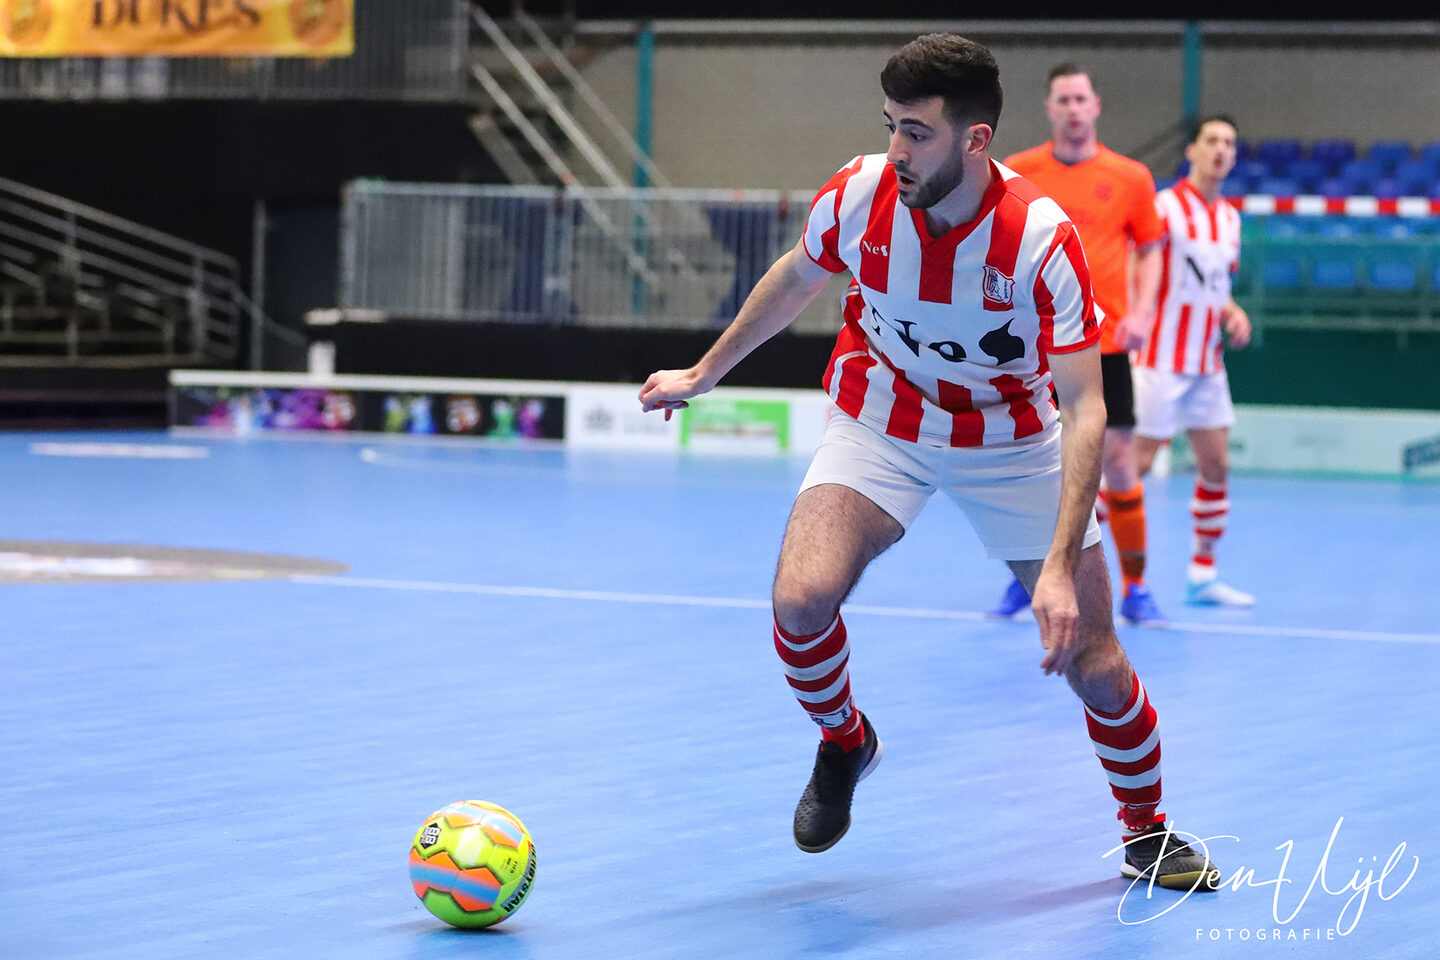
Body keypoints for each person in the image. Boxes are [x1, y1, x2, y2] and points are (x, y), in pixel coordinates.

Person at [639, 33, 1218, 890]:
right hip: (882, 421)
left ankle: (1147, 831)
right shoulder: (859, 192)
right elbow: (797, 277)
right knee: (800, 599)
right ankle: (846, 741)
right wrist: (703, 372)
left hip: (1012, 441)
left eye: (916, 132)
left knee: (1095, 659)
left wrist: (1058, 568)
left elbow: (1087, 409)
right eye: (890, 126)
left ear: (975, 139)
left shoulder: (1040, 240)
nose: (896, 150)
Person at [988, 63, 1167, 626]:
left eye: (1080, 99)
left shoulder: (1131, 177)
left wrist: (1142, 312)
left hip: (1104, 343)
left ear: (1096, 106)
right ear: (1050, 108)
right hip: (1035, 345)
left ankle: (1136, 586)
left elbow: (1151, 248)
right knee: (1033, 464)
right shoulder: (1018, 172)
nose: (1072, 108)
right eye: (1063, 99)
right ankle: (1031, 575)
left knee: (1118, 461)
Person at [1134, 115, 1254, 607]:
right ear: (1192, 151)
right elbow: (1138, 267)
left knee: (1217, 465)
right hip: (1158, 359)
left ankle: (1203, 574)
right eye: (1212, 141)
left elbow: (1215, 287)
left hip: (1207, 363)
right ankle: (1067, 563)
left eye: (1229, 143)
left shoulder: (1230, 219)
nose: (1221, 150)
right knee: (1133, 466)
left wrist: (1232, 311)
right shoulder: (1164, 207)